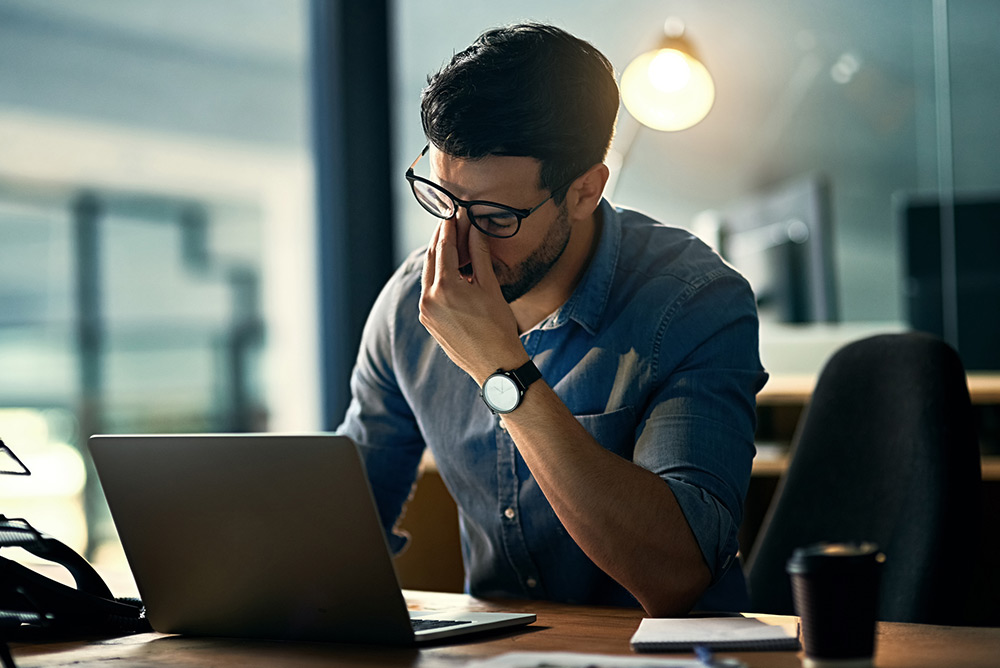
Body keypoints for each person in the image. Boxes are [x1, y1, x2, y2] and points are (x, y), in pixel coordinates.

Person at [337, 22, 767, 616]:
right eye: (444, 200)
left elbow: (676, 574)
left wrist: (500, 369)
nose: (460, 243)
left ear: (585, 191)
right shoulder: (412, 304)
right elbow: (342, 524)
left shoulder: (694, 302)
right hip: (492, 656)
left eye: (494, 217)